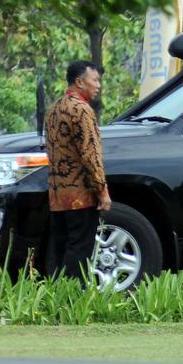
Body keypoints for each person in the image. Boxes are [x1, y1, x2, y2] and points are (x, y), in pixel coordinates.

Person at [45, 60, 111, 284]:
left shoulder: (54, 109)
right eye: (95, 80)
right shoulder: (82, 110)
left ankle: (55, 296)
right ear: (79, 82)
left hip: (56, 195)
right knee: (79, 248)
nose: (98, 85)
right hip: (80, 196)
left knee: (60, 247)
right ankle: (72, 296)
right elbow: (90, 155)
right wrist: (102, 191)